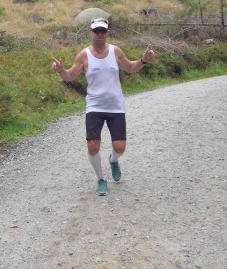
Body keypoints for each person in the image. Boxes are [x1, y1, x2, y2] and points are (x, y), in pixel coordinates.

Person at [51, 18, 154, 196]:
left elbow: (130, 68)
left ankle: (113, 160)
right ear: (91, 32)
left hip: (115, 106)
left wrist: (143, 60)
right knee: (93, 145)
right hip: (94, 106)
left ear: (107, 33)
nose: (99, 34)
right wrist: (61, 70)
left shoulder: (115, 51)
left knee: (120, 147)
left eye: (102, 31)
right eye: (96, 31)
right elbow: (69, 76)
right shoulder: (84, 55)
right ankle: (100, 179)